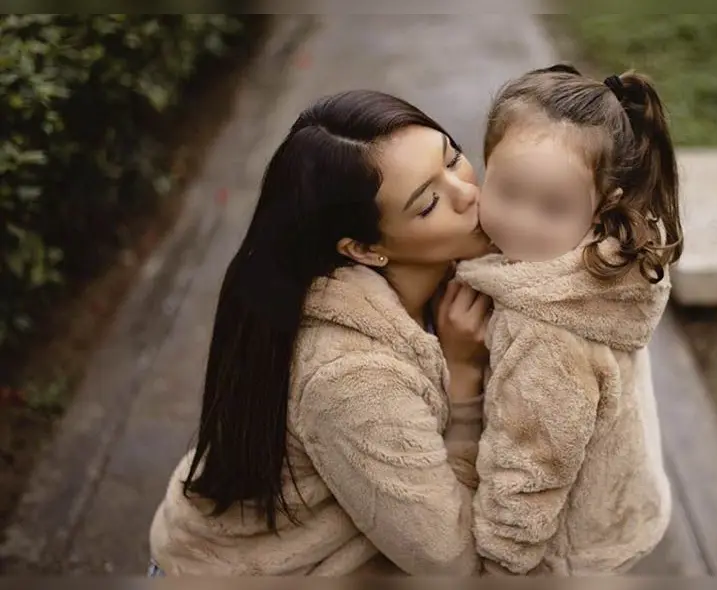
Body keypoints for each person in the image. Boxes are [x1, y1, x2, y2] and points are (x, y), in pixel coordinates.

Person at [148, 90, 493, 576]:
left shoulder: (434, 277)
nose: (468, 193)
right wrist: (462, 378)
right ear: (364, 249)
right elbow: (448, 558)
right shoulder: (352, 378)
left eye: (452, 157)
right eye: (429, 203)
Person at [455, 63, 683, 575]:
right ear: (487, 166)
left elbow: (530, 473)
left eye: (553, 208)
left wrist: (502, 566)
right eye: (507, 192)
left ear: (604, 204)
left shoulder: (545, 330)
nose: (522, 221)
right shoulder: (607, 263)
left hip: (563, 556)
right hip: (617, 515)